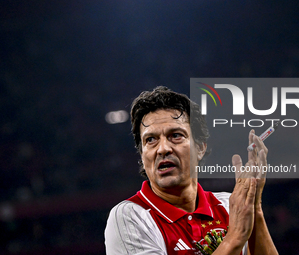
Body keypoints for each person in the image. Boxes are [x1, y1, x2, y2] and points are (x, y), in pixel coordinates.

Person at [105, 86, 278, 255]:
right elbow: (235, 239)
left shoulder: (229, 205)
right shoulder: (130, 216)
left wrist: (255, 208)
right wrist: (233, 240)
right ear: (142, 154)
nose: (163, 148)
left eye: (176, 135)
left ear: (200, 148)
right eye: (151, 139)